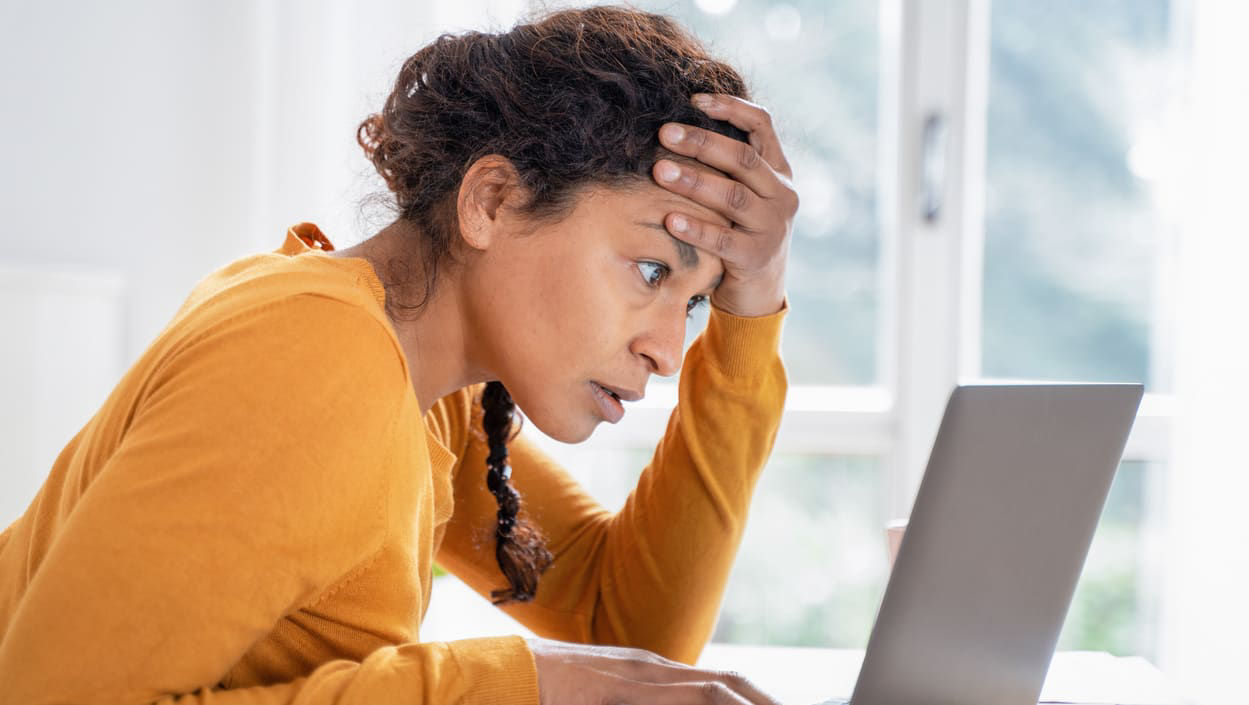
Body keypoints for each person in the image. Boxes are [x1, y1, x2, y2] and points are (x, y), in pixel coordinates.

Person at [0, 5, 796, 704]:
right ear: (492, 200)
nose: (666, 350)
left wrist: (753, 301)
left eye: (694, 302)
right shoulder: (316, 358)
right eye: (651, 270)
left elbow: (626, 628)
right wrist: (515, 684)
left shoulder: (426, 387)